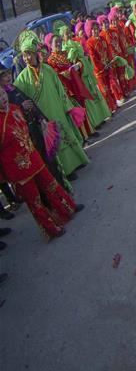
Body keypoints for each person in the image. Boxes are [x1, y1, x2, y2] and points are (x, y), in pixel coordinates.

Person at [0, 87, 83, 240]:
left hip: (34, 157)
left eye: (3, 94)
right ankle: (51, 229)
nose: (3, 98)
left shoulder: (14, 108)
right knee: (35, 201)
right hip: (18, 170)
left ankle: (68, 209)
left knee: (52, 185)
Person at [13, 31, 90, 178]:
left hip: (57, 108)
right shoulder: (21, 80)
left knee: (65, 135)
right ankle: (65, 172)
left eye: (29, 54)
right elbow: (15, 98)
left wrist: (67, 107)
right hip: (43, 115)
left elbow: (60, 90)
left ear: (36, 53)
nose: (27, 58)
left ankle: (76, 162)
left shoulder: (48, 70)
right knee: (53, 143)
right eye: (24, 55)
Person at [44, 34, 95, 139]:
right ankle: (83, 136)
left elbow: (76, 62)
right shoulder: (50, 60)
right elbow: (57, 76)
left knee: (83, 107)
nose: (58, 43)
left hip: (76, 84)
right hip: (67, 89)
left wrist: (78, 65)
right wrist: (70, 71)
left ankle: (90, 131)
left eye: (59, 41)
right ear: (50, 45)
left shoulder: (65, 53)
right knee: (75, 112)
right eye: (55, 42)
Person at [61, 32, 112, 129]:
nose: (68, 34)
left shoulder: (76, 42)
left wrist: (85, 57)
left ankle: (101, 116)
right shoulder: (65, 48)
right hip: (81, 75)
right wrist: (77, 64)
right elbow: (70, 61)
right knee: (88, 98)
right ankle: (95, 122)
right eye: (65, 33)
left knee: (94, 93)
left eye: (68, 31)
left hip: (86, 70)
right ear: (63, 37)